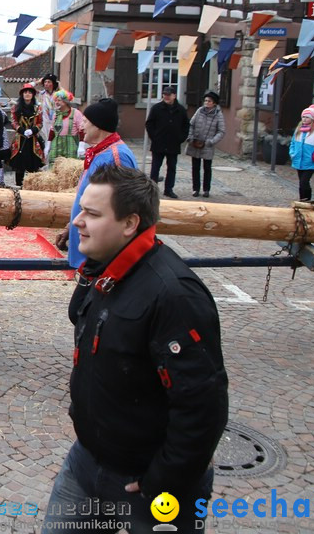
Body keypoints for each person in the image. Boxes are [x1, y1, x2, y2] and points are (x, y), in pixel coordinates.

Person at [43, 165, 227, 532]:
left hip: (149, 485)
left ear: (130, 223)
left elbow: (203, 405)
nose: (77, 221)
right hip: (87, 463)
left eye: (92, 214)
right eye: (81, 210)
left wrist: (164, 480)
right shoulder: (106, 268)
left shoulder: (174, 295)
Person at [54, 98, 138, 268]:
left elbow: (123, 206)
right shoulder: (99, 152)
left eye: (85, 122)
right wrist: (72, 226)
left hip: (101, 255)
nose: (81, 126)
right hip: (89, 246)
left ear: (98, 125)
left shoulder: (117, 156)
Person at [145, 86, 190, 198]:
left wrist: (181, 138)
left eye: (168, 95)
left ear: (174, 95)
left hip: (173, 144)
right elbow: (149, 124)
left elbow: (186, 126)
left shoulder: (181, 110)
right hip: (158, 143)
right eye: (164, 94)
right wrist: (154, 137)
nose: (166, 96)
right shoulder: (156, 108)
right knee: (155, 167)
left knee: (172, 168)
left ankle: (169, 189)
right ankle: (152, 190)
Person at [186, 90, 226, 198]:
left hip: (207, 145)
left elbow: (221, 131)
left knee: (207, 168)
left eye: (209, 101)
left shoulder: (218, 115)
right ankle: (195, 189)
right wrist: (190, 136)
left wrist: (211, 141)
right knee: (195, 167)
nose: (207, 102)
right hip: (195, 142)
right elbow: (191, 124)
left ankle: (206, 189)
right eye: (206, 100)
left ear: (214, 103)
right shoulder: (199, 111)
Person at [9, 82, 45, 186]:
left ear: (33, 94)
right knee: (19, 166)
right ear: (22, 94)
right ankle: (18, 185)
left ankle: (31, 186)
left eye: (29, 92)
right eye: (25, 92)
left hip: (33, 140)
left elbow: (40, 123)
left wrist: (33, 130)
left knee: (32, 165)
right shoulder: (16, 108)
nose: (27, 94)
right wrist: (21, 130)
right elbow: (13, 122)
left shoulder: (38, 108)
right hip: (20, 140)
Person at [289, 106, 314, 202]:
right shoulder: (299, 130)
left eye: (307, 117)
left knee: (304, 182)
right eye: (303, 117)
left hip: (310, 161)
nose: (304, 119)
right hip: (298, 159)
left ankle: (307, 199)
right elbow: (293, 143)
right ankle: (302, 199)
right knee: (301, 182)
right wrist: (292, 153)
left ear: (313, 119)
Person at [47, 90, 84, 164]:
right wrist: (48, 145)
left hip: (71, 144)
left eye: (59, 100)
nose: (56, 102)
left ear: (66, 101)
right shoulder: (56, 114)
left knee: (69, 166)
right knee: (54, 165)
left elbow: (82, 130)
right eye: (55, 100)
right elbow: (52, 131)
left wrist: (81, 146)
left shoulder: (76, 113)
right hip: (57, 144)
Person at [37, 73, 59, 141]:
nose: (46, 83)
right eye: (45, 82)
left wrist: (59, 85)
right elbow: (27, 87)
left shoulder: (58, 94)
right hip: (44, 123)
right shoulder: (41, 94)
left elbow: (69, 97)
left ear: (53, 84)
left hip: (56, 122)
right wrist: (37, 82)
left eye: (49, 82)